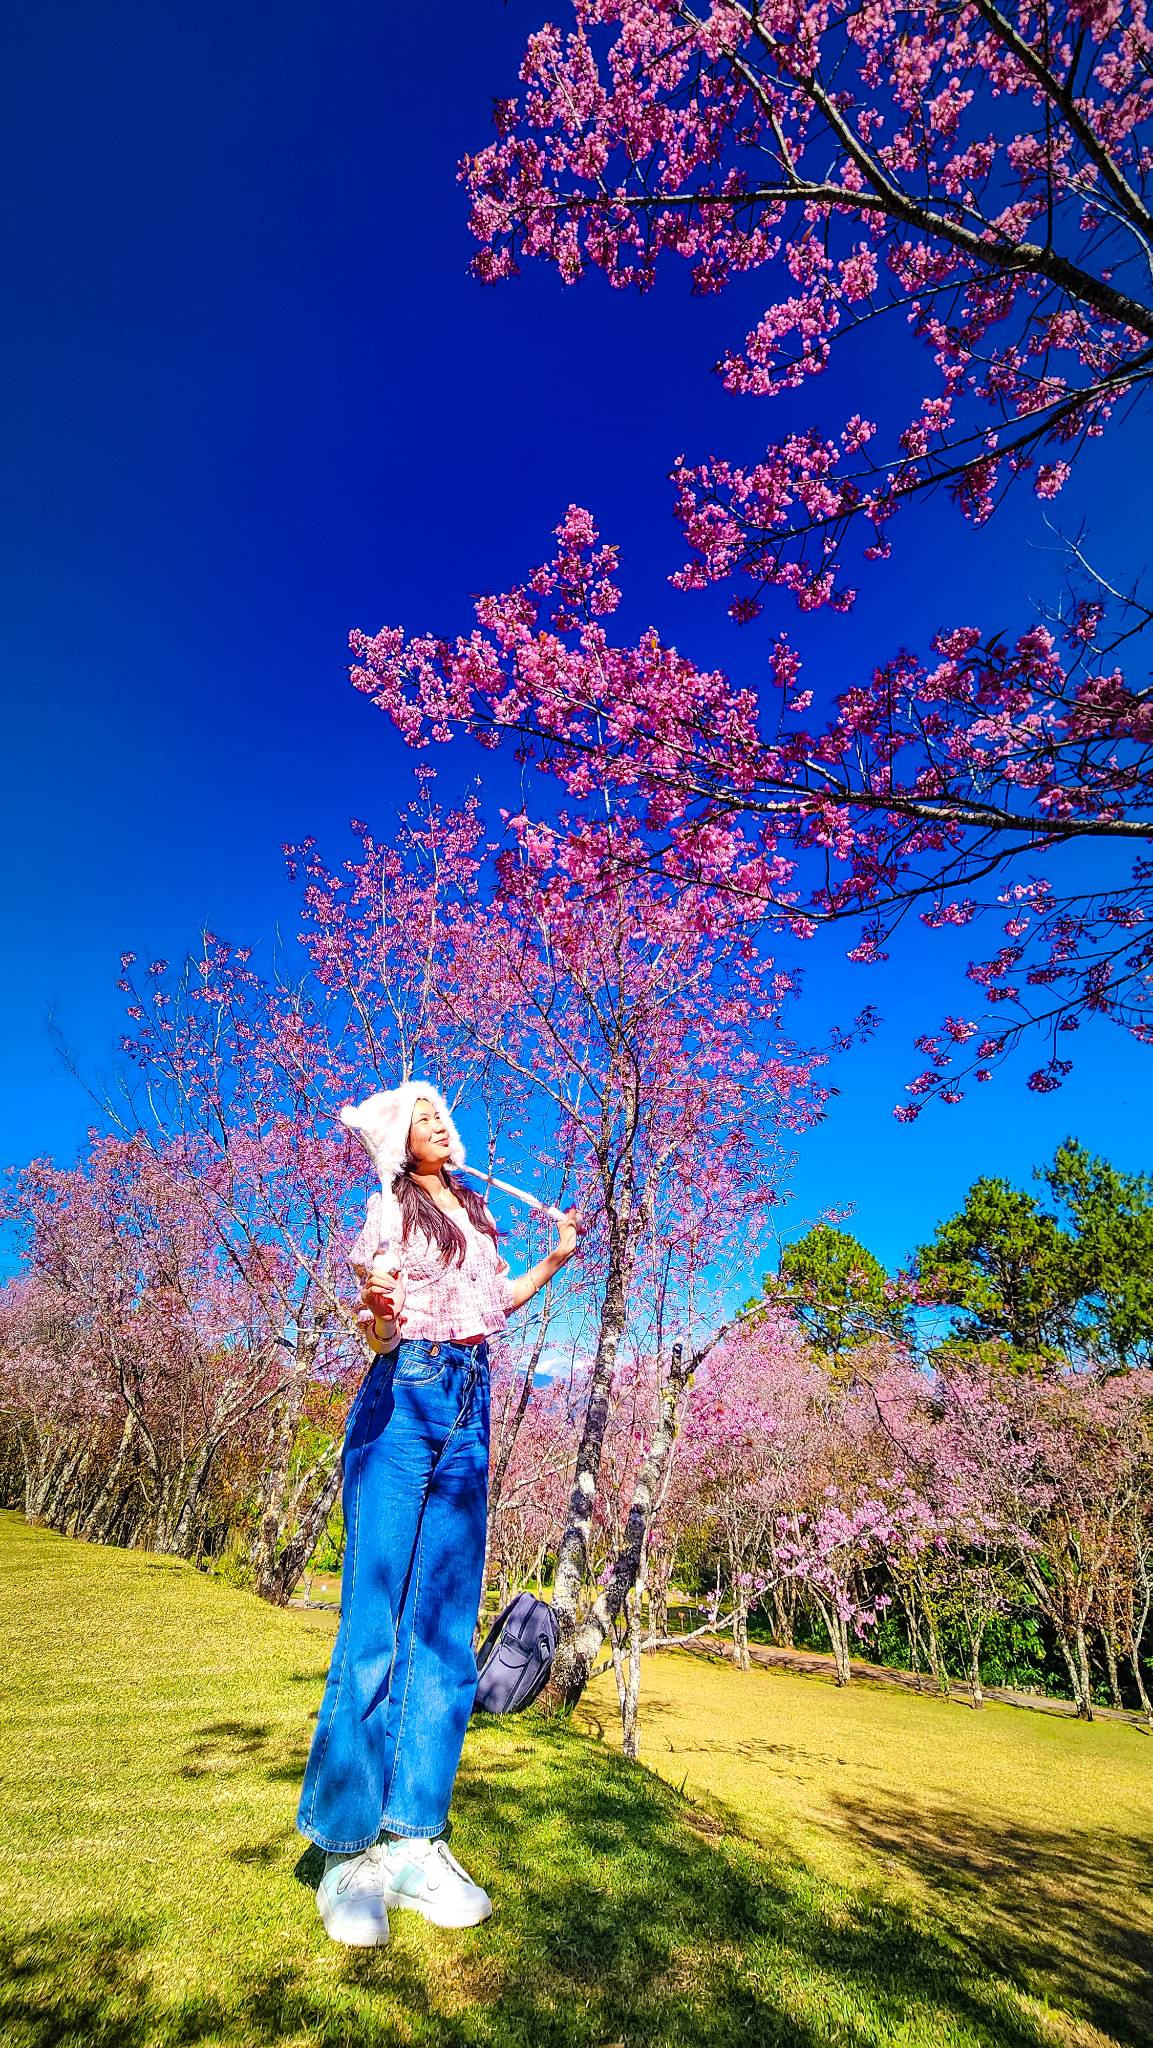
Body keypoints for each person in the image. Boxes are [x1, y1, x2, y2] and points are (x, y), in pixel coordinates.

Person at [297, 1080, 579, 1946]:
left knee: (446, 1632)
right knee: (374, 1626)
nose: (440, 1124)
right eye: (423, 1117)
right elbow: (378, 1323)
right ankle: (346, 1849)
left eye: (444, 1114)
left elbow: (491, 1305)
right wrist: (380, 1315)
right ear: (397, 1138)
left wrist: (554, 1261)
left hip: (471, 1399)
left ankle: (414, 1838)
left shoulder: (474, 1209)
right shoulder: (389, 1206)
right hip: (404, 1394)